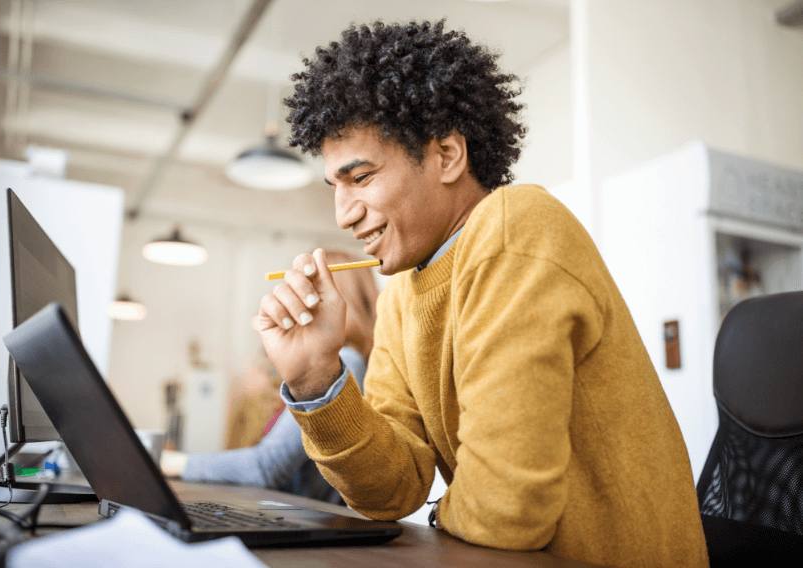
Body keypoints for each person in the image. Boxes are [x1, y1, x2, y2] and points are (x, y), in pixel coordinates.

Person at [252, 20, 708, 567]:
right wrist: (315, 379)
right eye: (336, 186)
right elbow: (392, 493)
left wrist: (442, 515)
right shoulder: (402, 292)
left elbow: (507, 509)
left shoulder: (514, 228)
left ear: (447, 154)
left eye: (362, 177)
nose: (343, 214)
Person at [161, 251, 379, 504]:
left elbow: (267, 466)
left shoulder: (346, 361)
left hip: (305, 524)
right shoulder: (329, 358)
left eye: (308, 284)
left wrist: (174, 462)